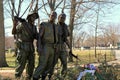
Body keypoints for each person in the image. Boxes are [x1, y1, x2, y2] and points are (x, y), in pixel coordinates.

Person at [12, 11, 39, 80]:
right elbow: (14, 32)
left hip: (31, 47)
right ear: (29, 17)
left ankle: (28, 77)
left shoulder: (34, 27)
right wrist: (14, 25)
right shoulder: (22, 24)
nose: (34, 18)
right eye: (33, 16)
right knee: (21, 64)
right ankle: (17, 77)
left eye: (35, 17)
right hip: (23, 47)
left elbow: (36, 36)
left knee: (31, 65)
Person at [33, 11, 58, 80]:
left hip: (53, 47)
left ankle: (43, 77)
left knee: (49, 65)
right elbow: (39, 37)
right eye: (52, 15)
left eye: (55, 16)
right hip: (45, 46)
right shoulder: (44, 24)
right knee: (42, 64)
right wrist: (39, 47)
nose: (53, 17)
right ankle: (35, 77)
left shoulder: (56, 26)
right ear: (49, 16)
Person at [55, 13, 72, 78]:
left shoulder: (65, 26)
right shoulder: (54, 26)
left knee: (64, 63)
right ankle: (50, 75)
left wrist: (69, 47)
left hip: (63, 47)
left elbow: (66, 38)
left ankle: (63, 76)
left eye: (64, 18)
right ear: (58, 17)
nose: (62, 19)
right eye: (61, 17)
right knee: (52, 63)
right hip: (55, 47)